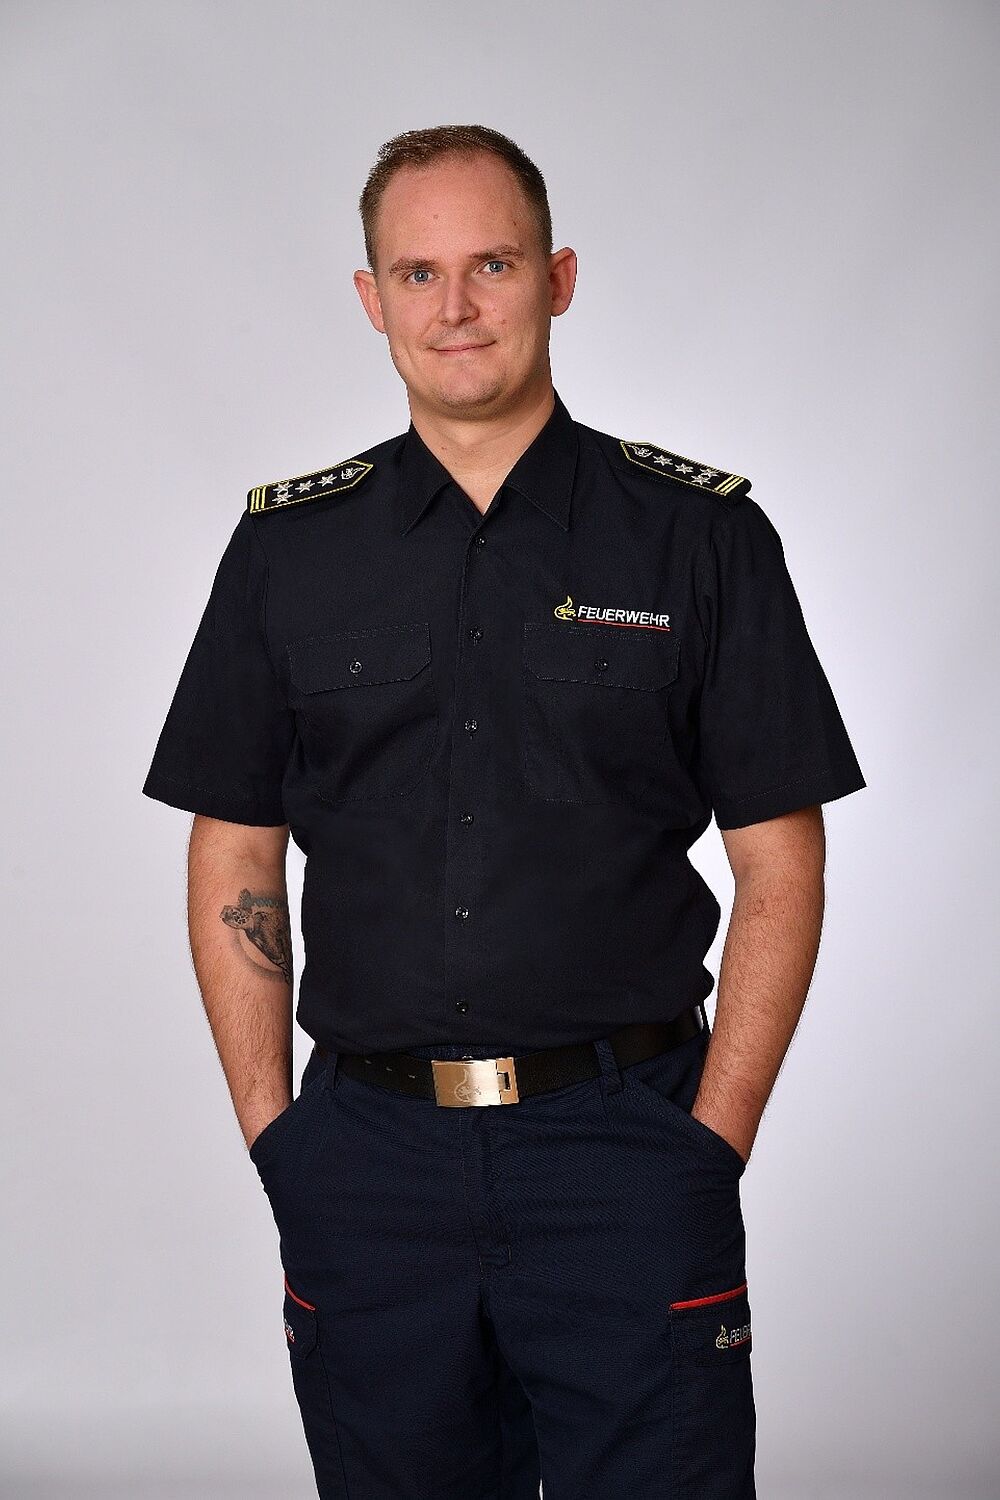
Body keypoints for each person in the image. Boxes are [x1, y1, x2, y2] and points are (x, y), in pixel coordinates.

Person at [141, 122, 866, 1499]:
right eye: (418, 274)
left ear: (559, 279)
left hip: (626, 1153)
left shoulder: (700, 539)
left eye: (494, 264)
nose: (456, 306)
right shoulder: (289, 553)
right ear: (373, 300)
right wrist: (279, 1140)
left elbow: (782, 862)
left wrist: (705, 1149)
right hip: (367, 1169)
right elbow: (234, 846)